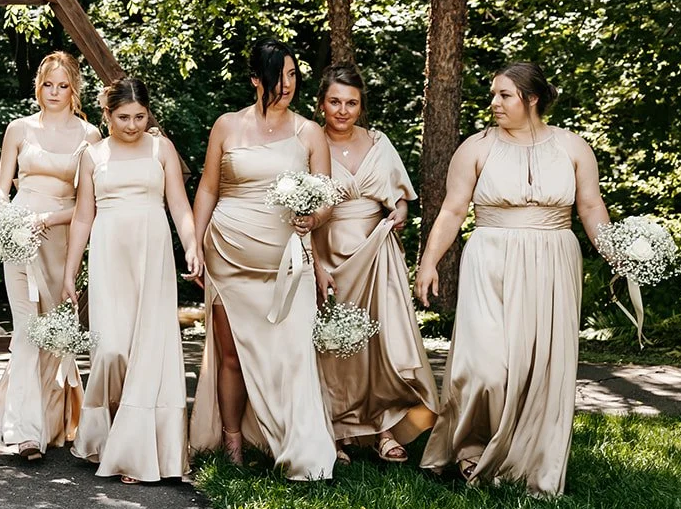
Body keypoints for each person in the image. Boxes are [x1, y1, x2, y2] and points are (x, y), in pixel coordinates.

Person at [417, 62, 610, 496]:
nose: (494, 103)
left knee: (540, 368)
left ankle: (530, 461)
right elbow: (452, 210)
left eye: (504, 95)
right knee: (483, 368)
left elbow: (591, 207)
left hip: (553, 259)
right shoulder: (476, 147)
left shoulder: (573, 147)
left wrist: (617, 253)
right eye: (493, 95)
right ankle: (470, 447)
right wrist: (429, 261)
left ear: (532, 99)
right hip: (491, 260)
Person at [190, 39, 338, 481]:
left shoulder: (309, 132)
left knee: (291, 353)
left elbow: (326, 197)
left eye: (293, 75)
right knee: (231, 354)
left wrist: (314, 218)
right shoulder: (227, 127)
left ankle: (295, 443)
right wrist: (194, 244)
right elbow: (208, 189)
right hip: (228, 255)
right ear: (256, 79)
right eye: (279, 76)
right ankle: (232, 441)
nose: (288, 85)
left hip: (286, 260)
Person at [61, 79, 198, 483]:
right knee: (113, 350)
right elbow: (83, 216)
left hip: (152, 255)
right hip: (109, 257)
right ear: (106, 115)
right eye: (123, 117)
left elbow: (178, 204)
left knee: (149, 349)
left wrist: (191, 246)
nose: (133, 124)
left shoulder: (161, 149)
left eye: (140, 116)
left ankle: (138, 452)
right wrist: (71, 271)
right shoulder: (92, 154)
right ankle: (110, 437)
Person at [312, 64, 438, 462]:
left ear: (361, 106)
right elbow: (301, 206)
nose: (343, 110)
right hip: (328, 250)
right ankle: (331, 430)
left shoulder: (379, 142)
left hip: (375, 250)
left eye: (351, 103)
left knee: (380, 343)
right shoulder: (309, 144)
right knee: (329, 344)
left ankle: (385, 428)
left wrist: (400, 210)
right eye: (335, 101)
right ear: (321, 104)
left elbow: (398, 195)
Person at [0, 52, 100, 459]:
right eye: (48, 84)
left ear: (74, 89)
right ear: (38, 86)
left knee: (55, 331)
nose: (54, 93)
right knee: (27, 328)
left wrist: (48, 218)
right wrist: (2, 220)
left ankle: (52, 419)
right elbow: (0, 189)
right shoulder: (18, 129)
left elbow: (91, 203)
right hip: (19, 238)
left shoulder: (91, 136)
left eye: (63, 85)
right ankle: (26, 431)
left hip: (62, 237)